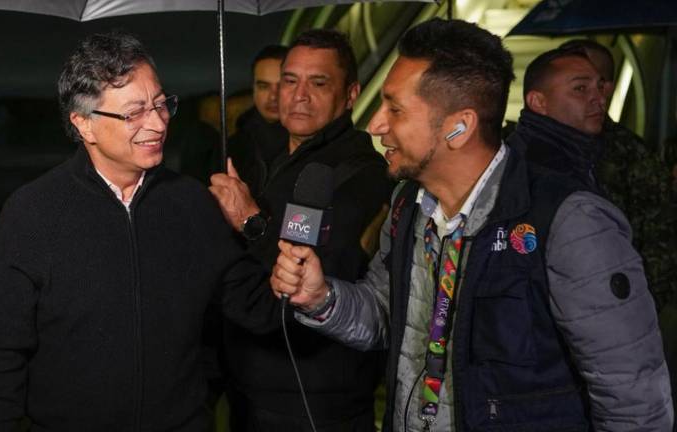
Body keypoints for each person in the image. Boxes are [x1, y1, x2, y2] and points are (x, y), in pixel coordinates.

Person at [271, 19, 674, 431]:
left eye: (394, 108)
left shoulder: (570, 221)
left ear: (459, 127)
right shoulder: (407, 205)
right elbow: (386, 315)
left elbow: (634, 401)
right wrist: (320, 298)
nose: (375, 124)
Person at [0, 31, 279, 431]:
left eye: (160, 104)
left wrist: (257, 228)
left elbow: (258, 309)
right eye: (134, 112)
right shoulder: (31, 213)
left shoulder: (192, 203)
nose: (157, 123)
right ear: (84, 124)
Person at [209, 29, 392, 431]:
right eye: (290, 80)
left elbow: (287, 295)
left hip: (315, 403)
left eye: (319, 82)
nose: (299, 95)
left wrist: (250, 222)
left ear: (351, 94)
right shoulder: (271, 159)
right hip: (249, 390)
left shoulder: (359, 174)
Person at [557, 39, 677, 312]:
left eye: (586, 83)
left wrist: (636, 311)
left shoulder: (630, 156)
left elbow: (659, 246)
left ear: (605, 88)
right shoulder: (526, 148)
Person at [228, 45, 289, 196]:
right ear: (253, 89)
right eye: (264, 86)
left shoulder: (314, 145)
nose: (273, 97)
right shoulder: (232, 147)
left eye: (281, 86)